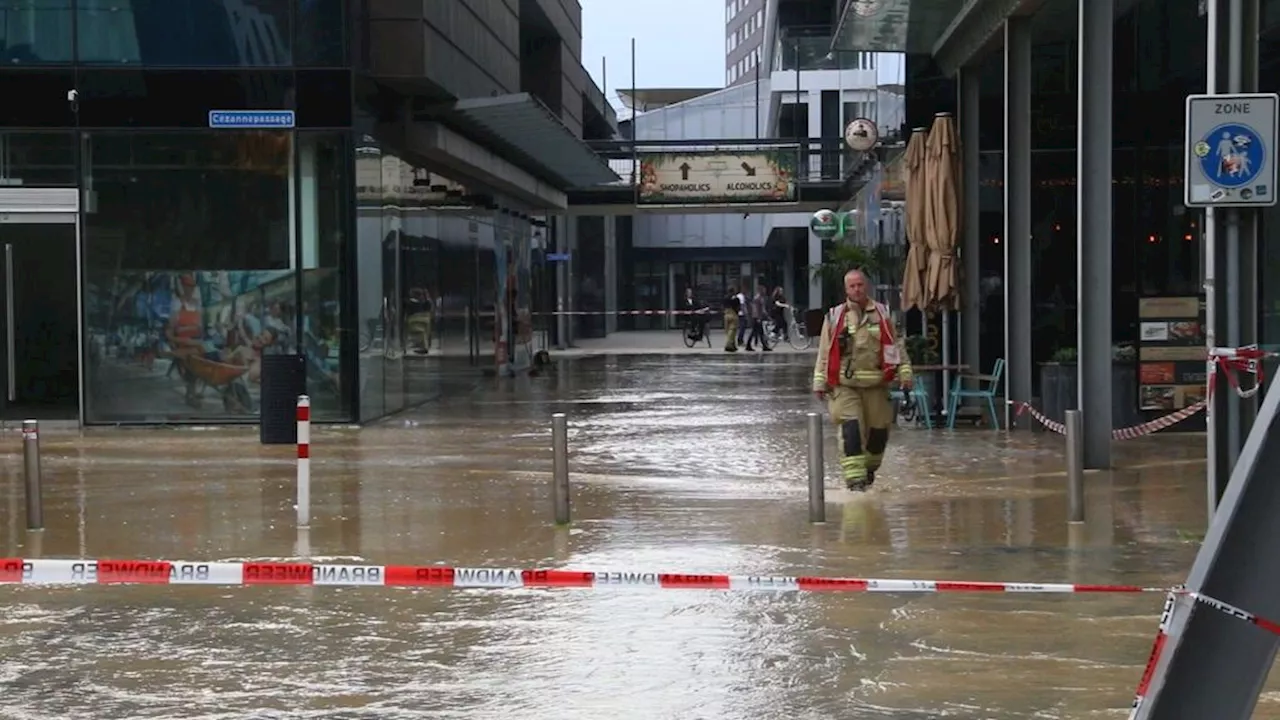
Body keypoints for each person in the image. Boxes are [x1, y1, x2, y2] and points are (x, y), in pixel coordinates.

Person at [812, 269, 913, 491]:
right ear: (846, 289)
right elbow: (824, 352)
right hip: (844, 387)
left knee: (878, 434)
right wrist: (819, 381)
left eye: (860, 285)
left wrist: (905, 372)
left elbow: (896, 347)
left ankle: (868, 472)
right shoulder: (835, 316)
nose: (857, 289)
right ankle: (855, 484)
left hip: (877, 386)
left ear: (866, 286)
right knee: (851, 431)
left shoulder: (883, 314)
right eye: (852, 286)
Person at [746, 285, 772, 352]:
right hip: (757, 318)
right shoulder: (758, 298)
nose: (765, 291)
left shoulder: (758, 298)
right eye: (764, 290)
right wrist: (759, 317)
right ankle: (763, 346)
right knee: (757, 332)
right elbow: (757, 309)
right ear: (760, 290)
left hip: (757, 317)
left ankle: (762, 346)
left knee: (758, 332)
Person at [723, 286, 741, 352]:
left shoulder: (725, 298)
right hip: (733, 314)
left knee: (728, 330)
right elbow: (738, 307)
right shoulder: (736, 299)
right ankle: (729, 345)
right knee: (732, 330)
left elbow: (723, 306)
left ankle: (733, 345)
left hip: (726, 314)